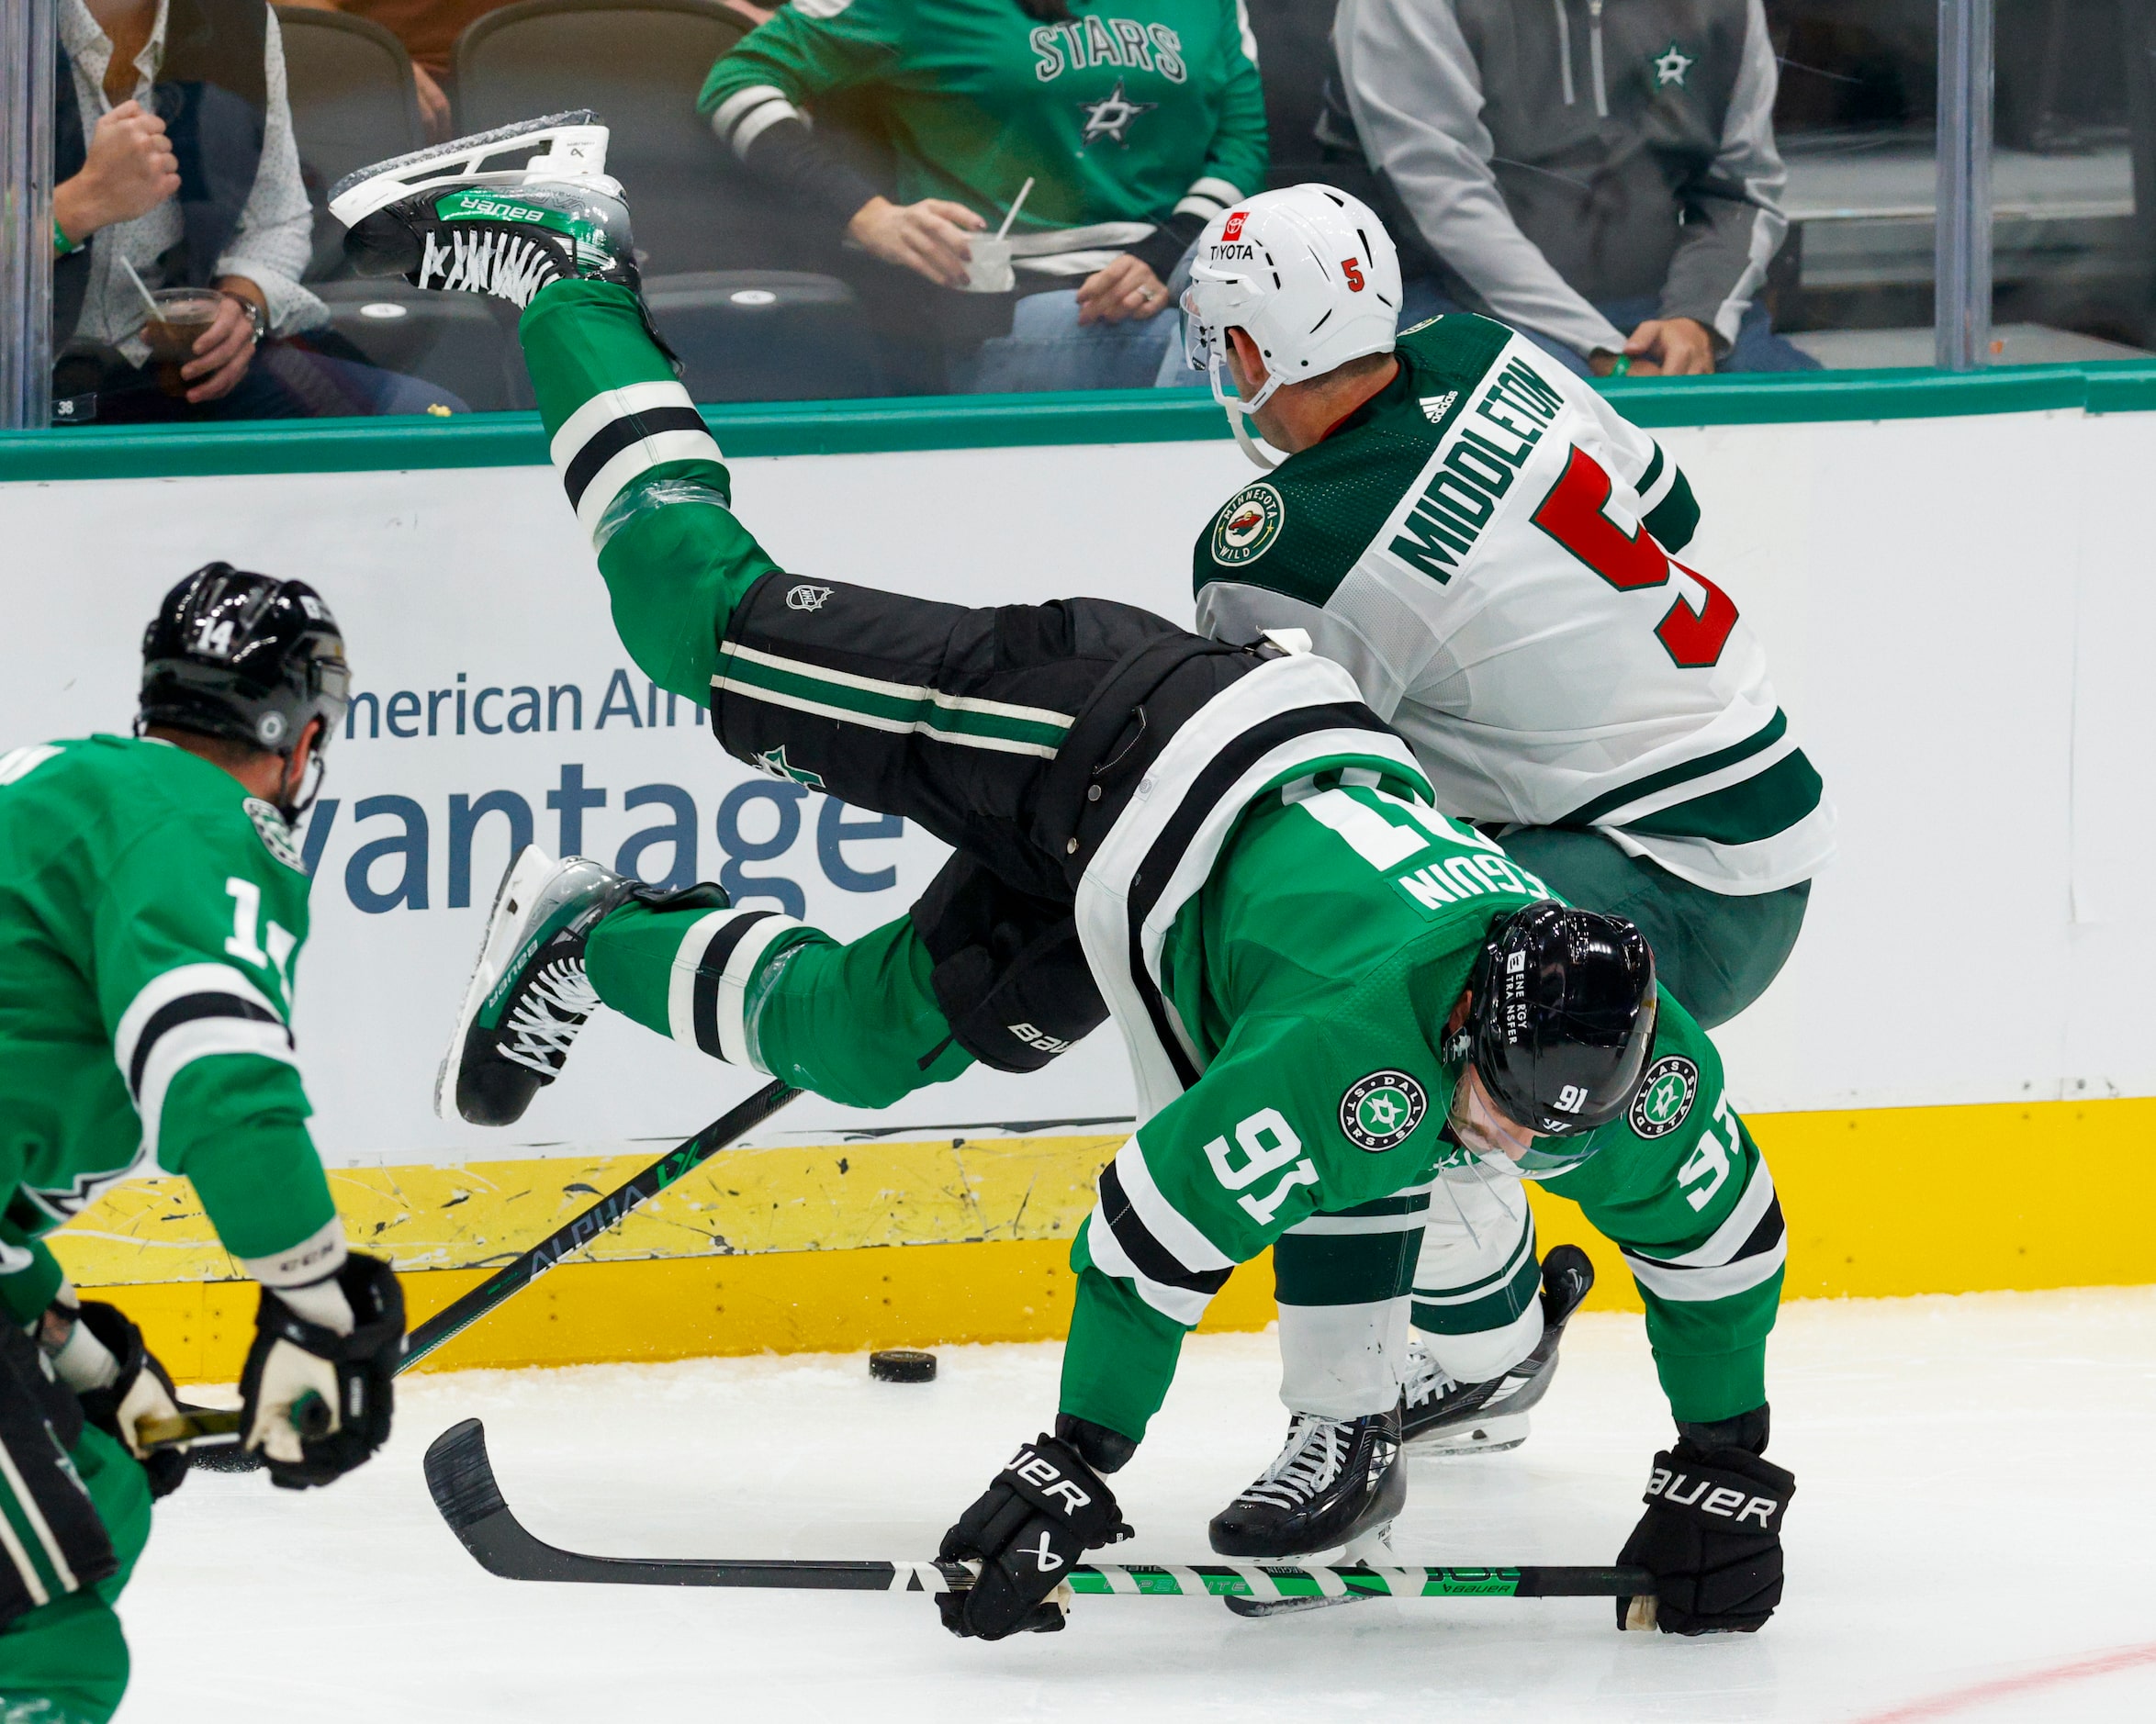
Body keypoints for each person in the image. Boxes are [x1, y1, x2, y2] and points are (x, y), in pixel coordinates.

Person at [334, 113, 1793, 1641]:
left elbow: (1725, 1244)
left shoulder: (1633, 1068)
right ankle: (571, 268)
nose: (1490, 1137)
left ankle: (593, 935)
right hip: (1100, 738)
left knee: (861, 1040)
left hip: (1158, 876)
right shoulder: (1343, 1048)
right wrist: (1073, 1460)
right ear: (1454, 1034)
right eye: (1487, 1106)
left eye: (1531, 1128)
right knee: (693, 619)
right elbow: (1149, 1231)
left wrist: (1727, 1466)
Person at [1174, 184, 1828, 1472]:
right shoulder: (1484, 349)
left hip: (1656, 871)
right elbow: (1671, 518)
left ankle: (1475, 1352)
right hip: (1764, 812)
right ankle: (1481, 1313)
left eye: (1220, 338)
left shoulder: (1274, 546)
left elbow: (1300, 796)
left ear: (1253, 351)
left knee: (1385, 1009)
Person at [0, 565, 406, 1721]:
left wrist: (65, 1338)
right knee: (45, 1640)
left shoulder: (65, 787)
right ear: (300, 732)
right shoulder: (201, 825)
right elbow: (217, 1077)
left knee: (100, 1485)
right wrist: (319, 1300)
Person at [698, 0, 1266, 392]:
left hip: (1182, 272)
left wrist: (1163, 252)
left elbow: (1242, 142)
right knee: (1234, 349)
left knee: (1247, 312)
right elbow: (739, 81)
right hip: (1012, 302)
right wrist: (865, 213)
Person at [1324, 0, 1817, 377]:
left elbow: (1740, 187)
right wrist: (1598, 350)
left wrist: (1697, 320)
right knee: (1546, 440)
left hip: (1667, 310)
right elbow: (1438, 196)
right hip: (1459, 306)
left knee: (1819, 420)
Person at [51, 0, 465, 422]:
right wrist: (75, 209)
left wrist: (242, 308)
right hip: (30, 383)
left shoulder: (236, 18)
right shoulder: (16, 29)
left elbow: (277, 218)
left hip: (180, 373)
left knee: (430, 421)